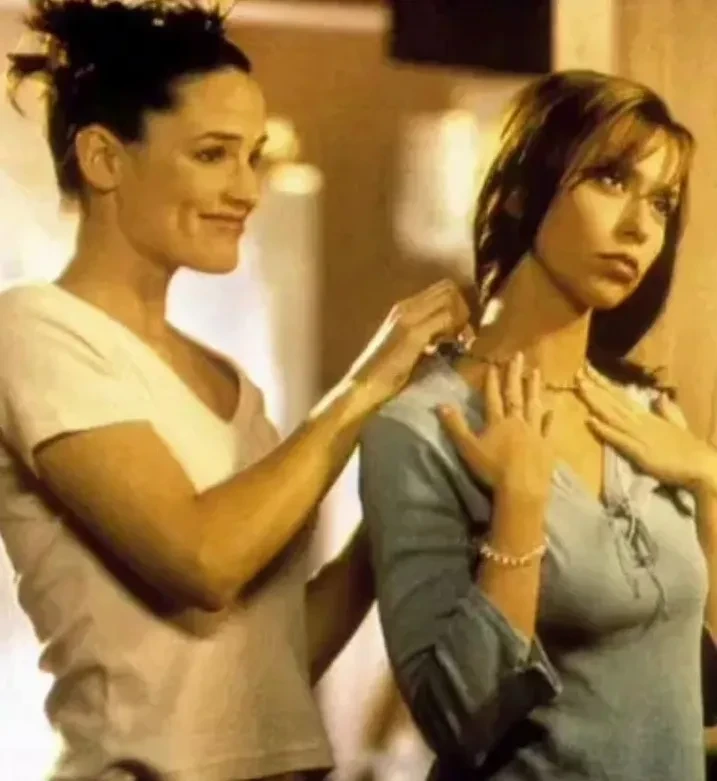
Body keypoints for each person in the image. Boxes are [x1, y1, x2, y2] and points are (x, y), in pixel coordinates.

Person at [0, 2, 474, 780]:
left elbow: (271, 666)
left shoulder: (233, 386)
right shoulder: (35, 331)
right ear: (104, 157)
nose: (247, 189)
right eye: (213, 154)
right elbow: (203, 559)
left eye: (253, 157)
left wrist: (408, 509)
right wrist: (369, 380)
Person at [359, 69, 717, 780]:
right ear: (521, 190)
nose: (639, 227)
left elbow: (698, 684)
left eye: (661, 202)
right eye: (610, 179)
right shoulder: (420, 428)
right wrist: (520, 506)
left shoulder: (647, 414)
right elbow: (456, 721)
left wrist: (710, 481)